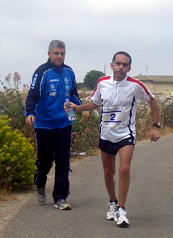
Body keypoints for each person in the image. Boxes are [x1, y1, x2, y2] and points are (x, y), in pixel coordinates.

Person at [69, 51, 161, 227]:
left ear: (129, 68)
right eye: (118, 64)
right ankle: (112, 202)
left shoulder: (135, 85)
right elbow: (96, 103)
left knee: (124, 169)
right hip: (106, 133)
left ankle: (121, 208)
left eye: (124, 65)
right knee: (108, 172)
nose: (120, 67)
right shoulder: (103, 83)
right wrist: (78, 108)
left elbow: (152, 100)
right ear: (111, 65)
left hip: (125, 133)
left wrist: (156, 126)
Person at [25, 39, 86, 210]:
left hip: (65, 123)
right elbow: (32, 95)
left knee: (63, 161)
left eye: (62, 53)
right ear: (49, 54)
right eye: (56, 53)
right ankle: (40, 183)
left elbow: (73, 93)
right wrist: (30, 113)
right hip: (44, 124)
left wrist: (81, 107)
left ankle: (60, 197)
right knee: (44, 161)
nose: (59, 56)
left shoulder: (69, 72)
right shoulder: (42, 72)